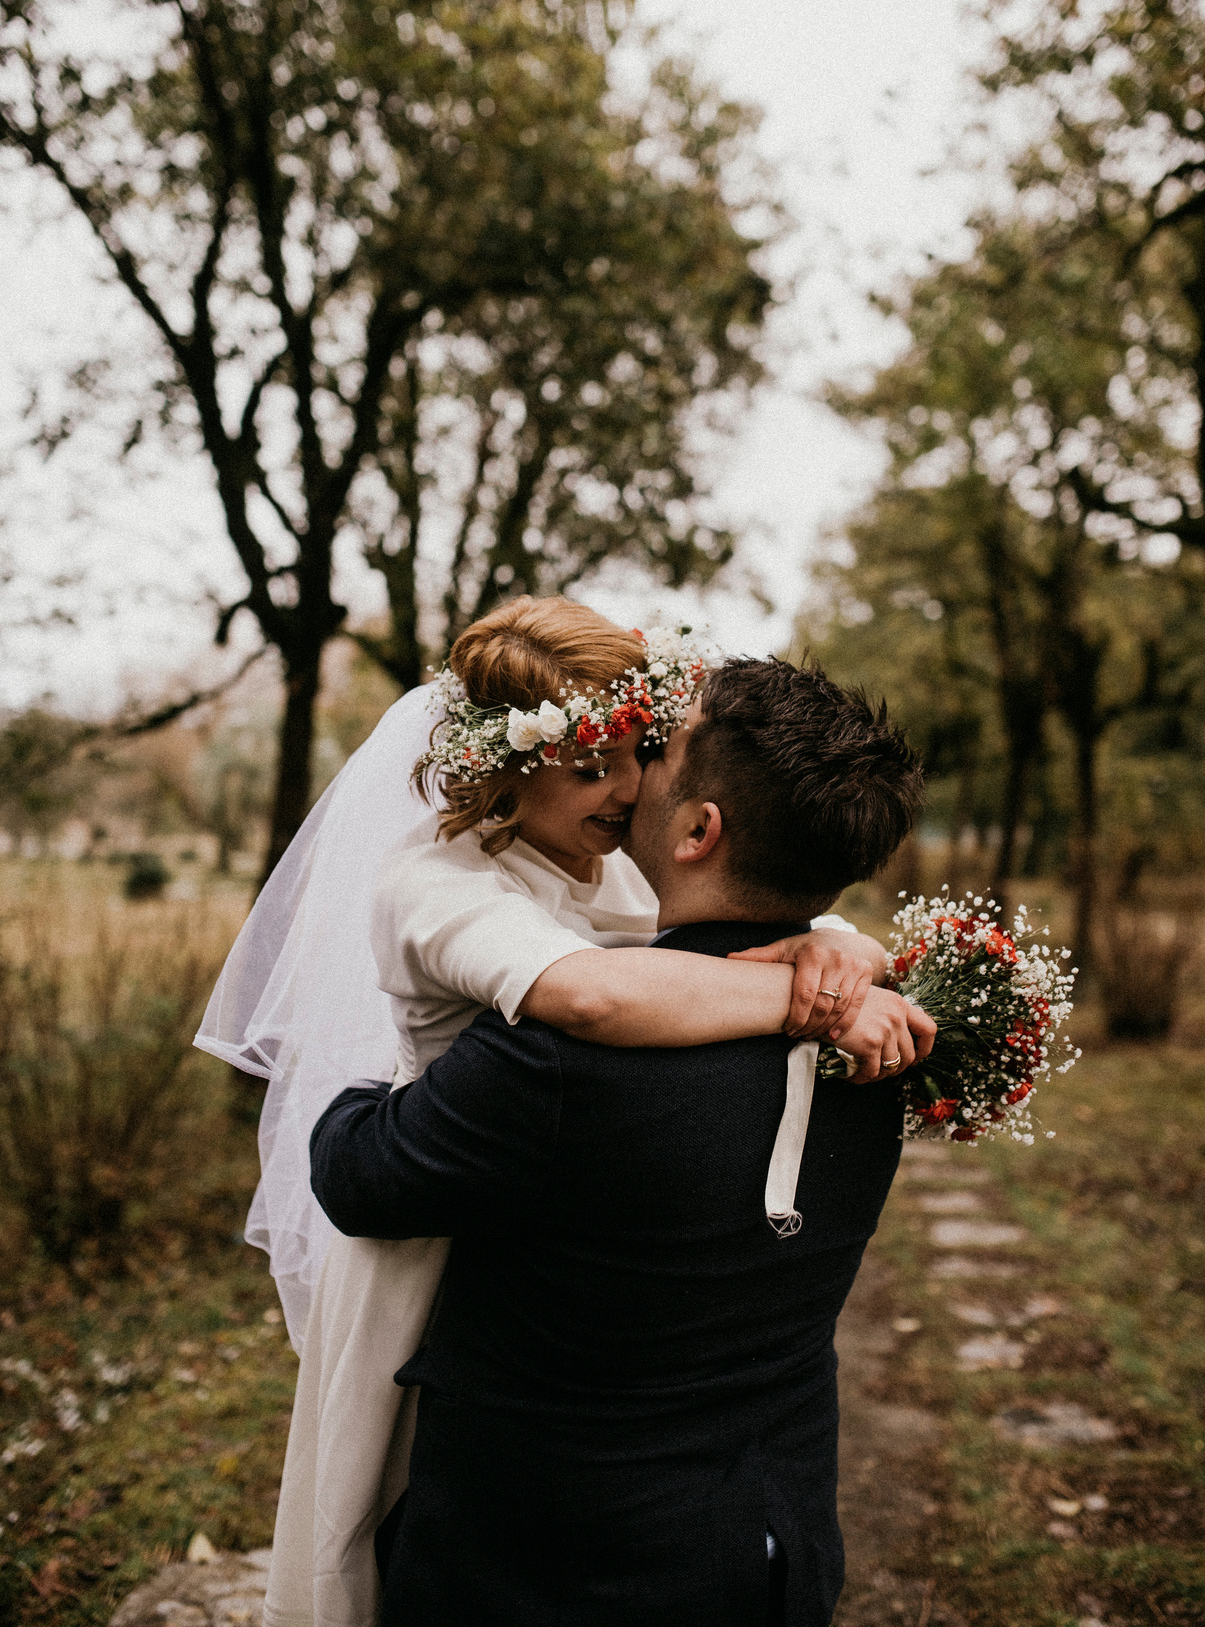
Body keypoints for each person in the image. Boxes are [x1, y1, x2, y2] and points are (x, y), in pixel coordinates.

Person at [197, 599, 929, 1627]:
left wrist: (838, 950)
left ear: (698, 827)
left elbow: (371, 1162)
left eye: (643, 753)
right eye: (596, 762)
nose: (627, 785)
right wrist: (818, 985)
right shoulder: (877, 1048)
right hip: (765, 1535)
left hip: (555, 1539)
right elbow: (600, 983)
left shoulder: (571, 1010)